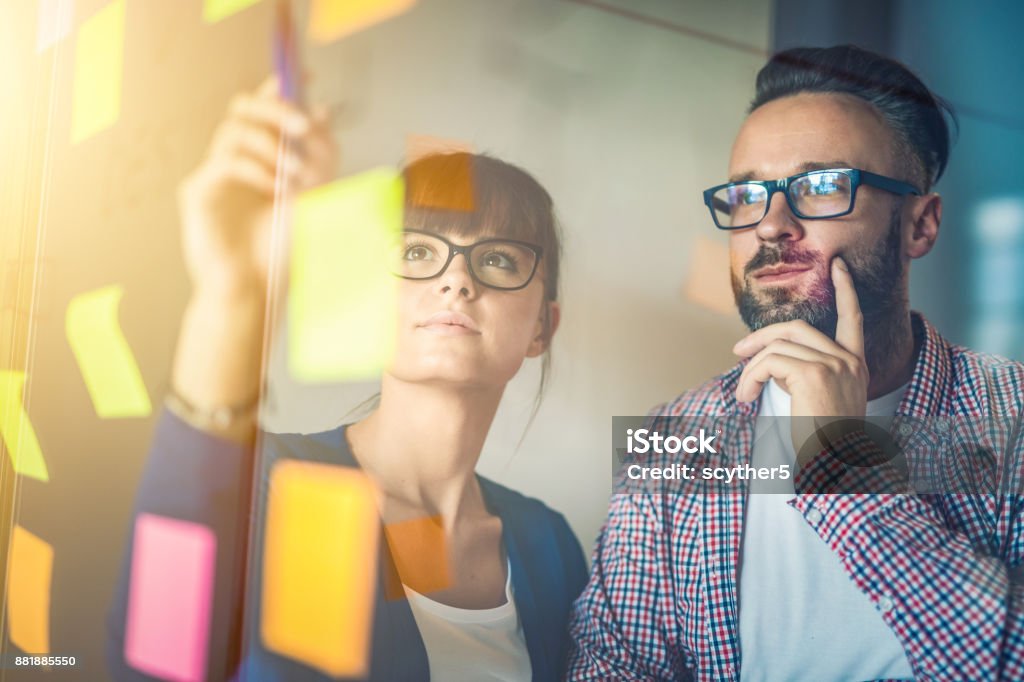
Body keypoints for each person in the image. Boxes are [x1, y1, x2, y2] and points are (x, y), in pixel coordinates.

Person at [106, 76, 587, 681]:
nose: (456, 281)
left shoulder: (551, 545)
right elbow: (146, 662)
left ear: (543, 327)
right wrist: (229, 298)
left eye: (498, 259)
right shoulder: (269, 490)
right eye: (415, 251)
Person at [568, 45, 1024, 680]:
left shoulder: (1015, 417)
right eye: (746, 195)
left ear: (920, 225)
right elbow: (612, 665)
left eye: (822, 187)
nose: (770, 225)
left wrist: (845, 468)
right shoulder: (677, 434)